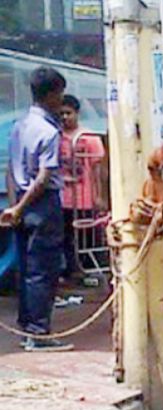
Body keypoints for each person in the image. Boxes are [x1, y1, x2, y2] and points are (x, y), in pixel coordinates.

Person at [1, 67, 73, 351]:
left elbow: (10, 169)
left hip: (20, 198)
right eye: (60, 94)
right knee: (43, 269)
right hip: (41, 204)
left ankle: (27, 328)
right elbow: (44, 177)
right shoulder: (49, 131)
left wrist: (13, 206)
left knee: (26, 267)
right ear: (52, 94)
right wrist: (21, 206)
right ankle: (39, 332)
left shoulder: (20, 125)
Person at [58, 94, 106, 282]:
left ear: (77, 113)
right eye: (61, 113)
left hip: (85, 197)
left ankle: (89, 270)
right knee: (66, 237)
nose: (64, 117)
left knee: (87, 236)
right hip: (63, 198)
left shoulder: (90, 138)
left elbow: (98, 170)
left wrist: (99, 195)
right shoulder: (56, 137)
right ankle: (72, 270)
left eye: (68, 113)